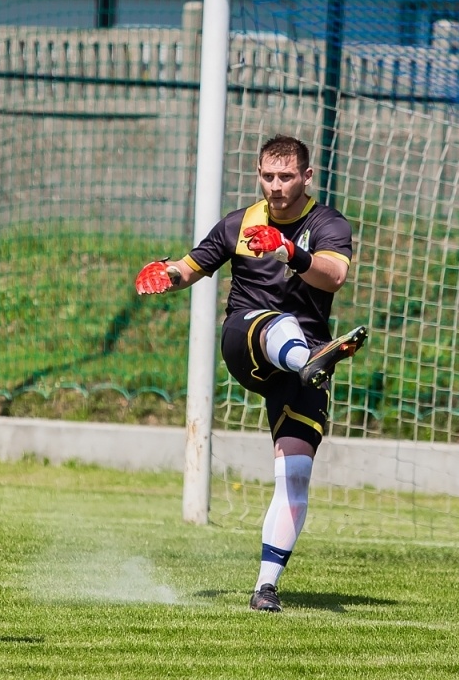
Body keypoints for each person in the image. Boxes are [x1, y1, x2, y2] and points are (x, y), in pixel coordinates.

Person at [134, 134, 366, 612]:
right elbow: (190, 268)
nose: (276, 186)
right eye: (268, 176)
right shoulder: (239, 223)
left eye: (286, 176)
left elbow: (333, 275)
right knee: (277, 323)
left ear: (307, 176)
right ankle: (309, 360)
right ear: (258, 174)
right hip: (247, 340)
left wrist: (289, 251)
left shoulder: (328, 223)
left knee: (295, 474)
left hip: (302, 364)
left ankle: (265, 587)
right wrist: (164, 275)